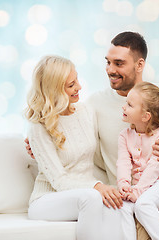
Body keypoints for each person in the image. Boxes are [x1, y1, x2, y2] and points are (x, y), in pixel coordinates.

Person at [26, 32, 159, 239]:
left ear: (139, 65)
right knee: (140, 224)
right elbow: (72, 137)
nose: (110, 70)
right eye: (108, 62)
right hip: (126, 193)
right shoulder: (94, 105)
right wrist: (40, 146)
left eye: (119, 63)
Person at [24, 55, 122, 240]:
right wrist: (97, 186)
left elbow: (92, 159)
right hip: (47, 199)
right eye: (71, 85)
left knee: (117, 204)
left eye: (76, 79)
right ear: (54, 90)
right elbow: (59, 181)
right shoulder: (39, 127)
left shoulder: (86, 111)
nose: (79, 87)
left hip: (85, 193)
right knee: (92, 198)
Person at [117, 82, 159, 240]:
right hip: (142, 186)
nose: (124, 107)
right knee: (123, 206)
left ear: (146, 116)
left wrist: (138, 191)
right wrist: (124, 185)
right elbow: (123, 163)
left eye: (130, 105)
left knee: (143, 205)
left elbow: (154, 167)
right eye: (126, 103)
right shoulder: (124, 136)